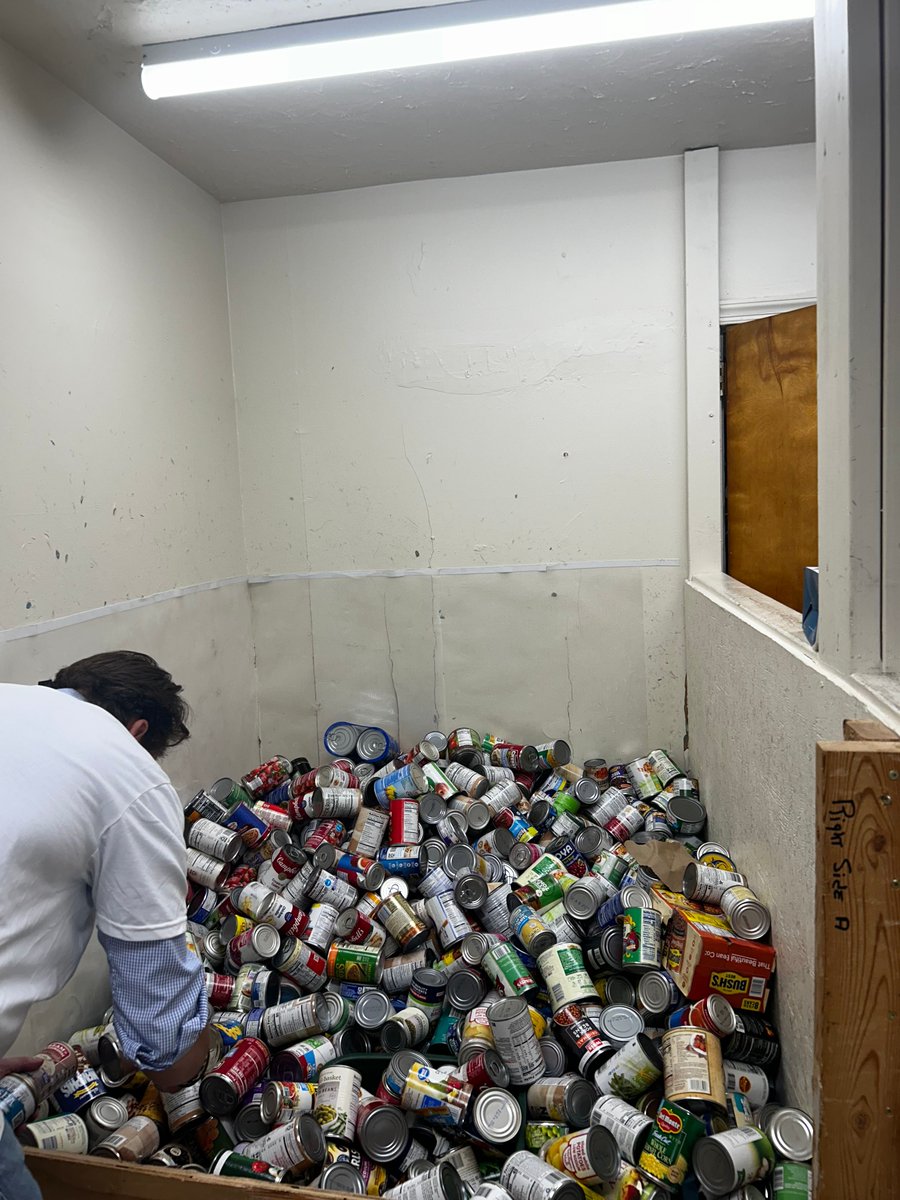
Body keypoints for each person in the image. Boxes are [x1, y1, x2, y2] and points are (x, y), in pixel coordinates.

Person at [0, 652, 209, 1198]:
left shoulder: (10, 702)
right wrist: (206, 1056)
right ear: (138, 731)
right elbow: (165, 1046)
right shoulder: (129, 776)